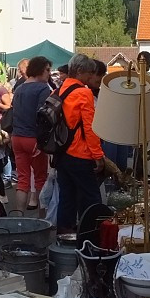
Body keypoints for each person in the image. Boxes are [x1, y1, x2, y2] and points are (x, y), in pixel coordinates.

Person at [54, 54, 105, 233]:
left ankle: (64, 237)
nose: (91, 77)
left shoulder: (59, 90)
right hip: (80, 154)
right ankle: (90, 236)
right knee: (91, 199)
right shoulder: (83, 93)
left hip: (61, 153)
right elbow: (90, 128)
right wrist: (98, 156)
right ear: (80, 71)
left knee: (67, 198)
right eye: (90, 73)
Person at [10, 55, 53, 212]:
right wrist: (43, 141)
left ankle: (19, 218)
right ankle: (42, 221)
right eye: (47, 70)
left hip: (17, 137)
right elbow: (43, 116)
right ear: (40, 70)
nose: (49, 73)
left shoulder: (19, 88)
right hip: (34, 138)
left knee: (22, 180)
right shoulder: (43, 88)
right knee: (41, 179)